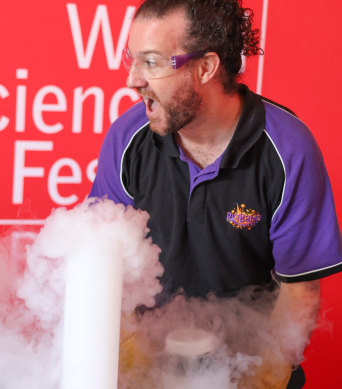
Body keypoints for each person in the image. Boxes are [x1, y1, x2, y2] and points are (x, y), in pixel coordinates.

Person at [90, 0, 342, 387]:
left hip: (254, 366)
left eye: (153, 62)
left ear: (206, 67)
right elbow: (106, 269)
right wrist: (132, 370)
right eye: (132, 60)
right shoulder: (126, 140)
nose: (133, 80)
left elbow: (299, 294)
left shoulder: (288, 148)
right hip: (148, 367)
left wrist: (258, 379)